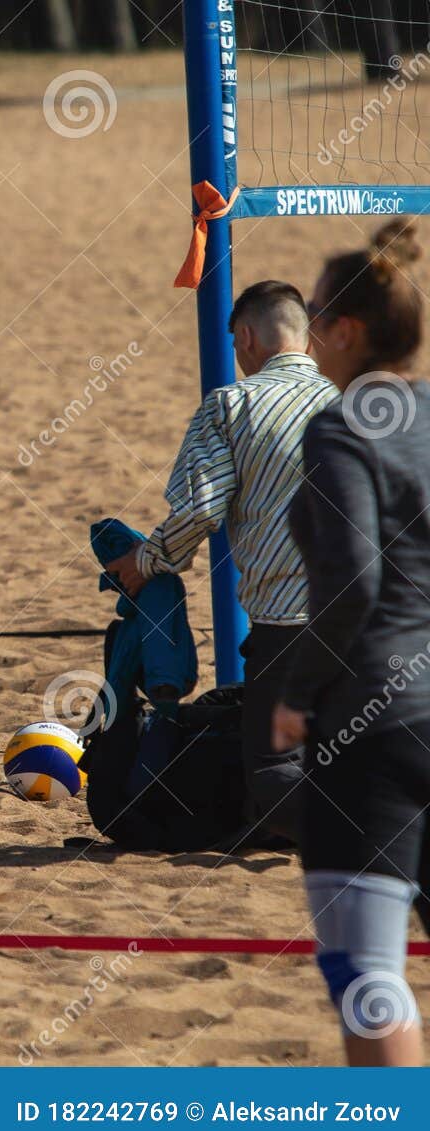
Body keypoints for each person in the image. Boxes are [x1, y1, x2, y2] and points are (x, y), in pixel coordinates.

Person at [273, 219, 430, 1066]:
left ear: (346, 331)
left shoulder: (339, 430)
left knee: (368, 980)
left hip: (375, 725)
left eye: (315, 312)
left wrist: (299, 691)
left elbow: (354, 581)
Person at [104, 280, 334, 842]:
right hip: (378, 616)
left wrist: (148, 560)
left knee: (274, 773)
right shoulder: (354, 399)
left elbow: (200, 510)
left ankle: (382, 831)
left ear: (248, 336)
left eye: (236, 343)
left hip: (291, 623)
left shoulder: (231, 405)